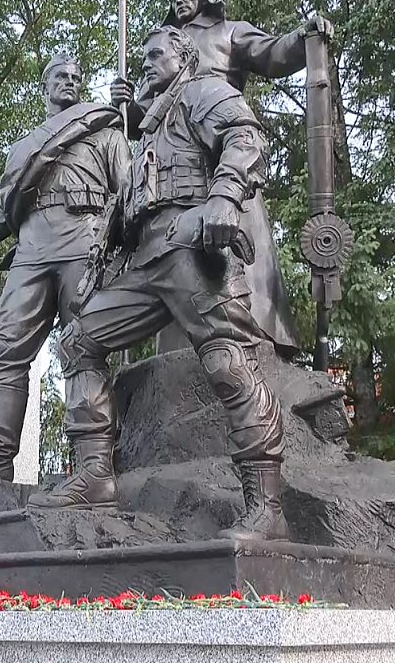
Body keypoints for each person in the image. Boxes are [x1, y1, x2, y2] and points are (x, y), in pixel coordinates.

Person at [33, 27, 290, 542]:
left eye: (156, 55)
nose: (146, 63)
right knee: (78, 339)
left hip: (191, 248)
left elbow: (246, 136)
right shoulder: (149, 129)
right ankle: (94, 475)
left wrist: (225, 197)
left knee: (228, 362)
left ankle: (267, 506)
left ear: (184, 57)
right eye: (144, 56)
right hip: (146, 261)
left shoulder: (200, 91)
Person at [110, 0, 333, 355]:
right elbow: (142, 117)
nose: (180, 0)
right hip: (174, 160)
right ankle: (182, 347)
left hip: (222, 143)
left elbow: (272, 54)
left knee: (237, 233)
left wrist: (303, 37)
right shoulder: (161, 50)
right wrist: (125, 105)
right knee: (172, 255)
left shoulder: (229, 32)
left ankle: (257, 333)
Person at [0, 55, 131, 486]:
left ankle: (93, 465)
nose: (70, 82)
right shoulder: (23, 148)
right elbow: (4, 211)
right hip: (31, 249)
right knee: (9, 351)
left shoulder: (106, 130)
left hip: (84, 243)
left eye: (77, 78)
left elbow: (130, 194)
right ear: (44, 87)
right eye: (61, 76)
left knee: (84, 347)